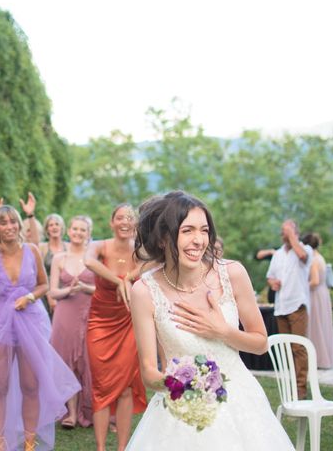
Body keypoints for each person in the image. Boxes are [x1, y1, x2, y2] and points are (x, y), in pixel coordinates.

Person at [126, 191, 294, 450]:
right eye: (187, 231)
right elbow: (149, 371)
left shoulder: (232, 274)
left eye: (204, 230)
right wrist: (183, 386)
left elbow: (260, 344)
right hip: (181, 410)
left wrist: (221, 331)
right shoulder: (144, 291)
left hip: (240, 402)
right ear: (162, 238)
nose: (199, 240)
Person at [0, 205, 80, 451]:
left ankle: (29, 442)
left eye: (13, 221)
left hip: (31, 321)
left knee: (30, 385)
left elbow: (44, 285)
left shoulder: (32, 251)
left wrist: (29, 297)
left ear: (19, 224)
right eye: (3, 223)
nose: (9, 226)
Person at [85, 204, 147, 451]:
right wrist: (118, 281)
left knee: (125, 389)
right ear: (111, 223)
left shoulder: (142, 251)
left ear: (136, 224)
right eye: (120, 218)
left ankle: (122, 448)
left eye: (130, 218)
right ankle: (100, 448)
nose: (125, 222)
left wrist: (130, 278)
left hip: (129, 323)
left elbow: (154, 263)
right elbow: (87, 261)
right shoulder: (100, 246)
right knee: (100, 387)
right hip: (100, 323)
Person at [50, 215, 96, 429]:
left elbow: (103, 290)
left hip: (88, 313)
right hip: (65, 314)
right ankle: (70, 412)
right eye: (75, 229)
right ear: (69, 230)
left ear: (89, 234)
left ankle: (87, 409)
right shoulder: (59, 258)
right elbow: (53, 291)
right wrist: (68, 290)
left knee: (87, 361)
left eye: (82, 230)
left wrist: (86, 288)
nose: (78, 233)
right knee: (65, 361)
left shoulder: (94, 258)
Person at [266, 219, 313, 399]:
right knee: (286, 349)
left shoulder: (305, 249)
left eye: (287, 230)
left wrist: (292, 237)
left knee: (298, 347)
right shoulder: (278, 254)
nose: (283, 233)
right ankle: (290, 386)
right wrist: (273, 283)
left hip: (297, 305)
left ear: (295, 233)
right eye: (282, 231)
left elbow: (303, 257)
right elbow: (270, 276)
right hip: (281, 306)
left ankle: (301, 389)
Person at [301, 232, 333, 369]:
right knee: (322, 325)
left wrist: (302, 286)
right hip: (323, 294)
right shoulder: (319, 257)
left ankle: (317, 359)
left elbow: (314, 281)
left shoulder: (313, 259)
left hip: (315, 295)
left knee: (315, 326)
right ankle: (323, 358)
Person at [38, 214, 68, 315]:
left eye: (57, 224)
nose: (54, 227)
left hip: (67, 292)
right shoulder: (42, 247)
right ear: (47, 229)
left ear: (62, 227)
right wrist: (49, 295)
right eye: (51, 225)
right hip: (47, 294)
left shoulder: (69, 247)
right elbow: (39, 274)